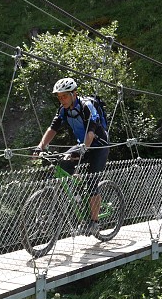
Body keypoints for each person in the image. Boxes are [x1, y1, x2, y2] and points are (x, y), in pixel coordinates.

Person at [33, 77, 111, 235]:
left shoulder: (86, 106)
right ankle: (77, 185)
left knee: (91, 183)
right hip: (82, 144)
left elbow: (91, 131)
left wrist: (84, 149)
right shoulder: (63, 110)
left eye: (65, 96)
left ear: (74, 94)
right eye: (59, 97)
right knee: (62, 163)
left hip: (99, 145)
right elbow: (53, 128)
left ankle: (94, 222)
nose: (62, 100)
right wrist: (40, 146)